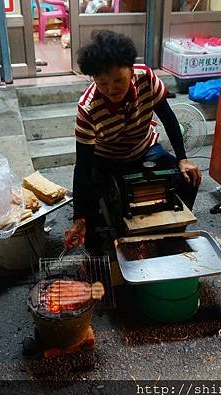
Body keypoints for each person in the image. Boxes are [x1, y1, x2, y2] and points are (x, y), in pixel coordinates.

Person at [63, 30, 201, 251]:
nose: (111, 89)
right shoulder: (88, 107)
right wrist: (79, 217)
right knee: (94, 206)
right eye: (102, 82)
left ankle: (171, 236)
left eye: (119, 80)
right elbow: (83, 166)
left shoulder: (146, 77)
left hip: (144, 149)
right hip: (106, 158)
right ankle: (106, 252)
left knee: (187, 178)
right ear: (94, 79)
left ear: (131, 69)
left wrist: (183, 159)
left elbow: (168, 117)